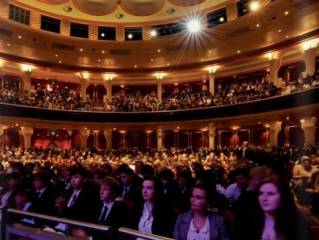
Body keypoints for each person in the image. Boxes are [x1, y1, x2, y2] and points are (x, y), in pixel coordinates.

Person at [241, 174, 312, 240]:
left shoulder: (298, 225)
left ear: (282, 196)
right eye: (261, 193)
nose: (264, 198)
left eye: (270, 194)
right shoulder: (249, 221)